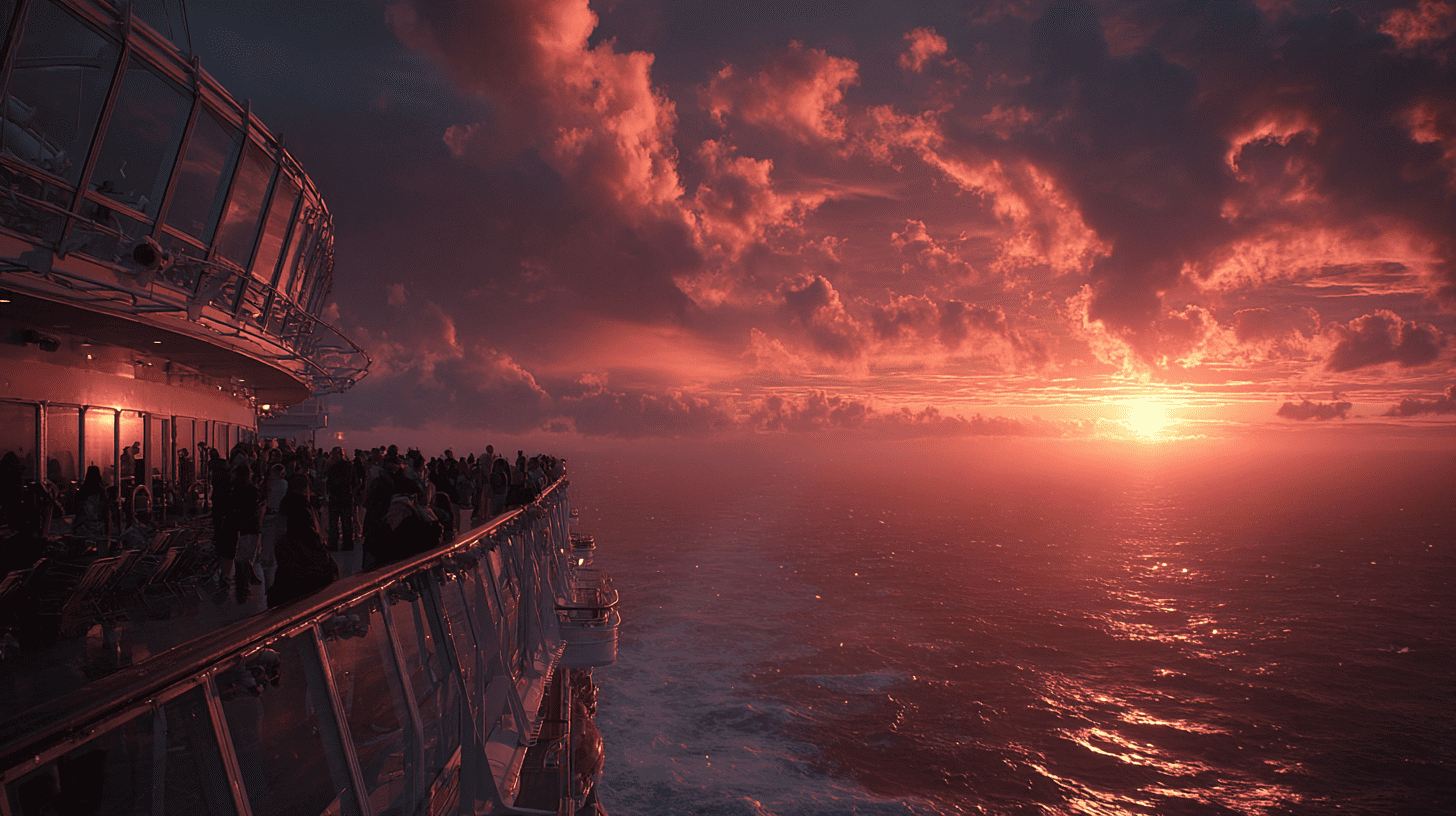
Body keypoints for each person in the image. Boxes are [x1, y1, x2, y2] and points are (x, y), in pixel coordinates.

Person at [267, 492, 339, 608]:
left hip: (290, 603)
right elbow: (333, 571)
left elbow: (294, 577)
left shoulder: (285, 544)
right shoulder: (316, 542)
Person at [325, 447, 357, 551]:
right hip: (346, 497)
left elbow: (328, 482)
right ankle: (348, 544)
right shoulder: (349, 466)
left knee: (334, 522)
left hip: (335, 497)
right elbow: (355, 482)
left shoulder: (332, 467)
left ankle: (333, 544)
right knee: (346, 521)